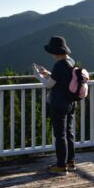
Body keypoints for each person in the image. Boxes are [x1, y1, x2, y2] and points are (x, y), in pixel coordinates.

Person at [37, 36, 77, 175]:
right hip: (71, 102)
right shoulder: (70, 62)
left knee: (60, 135)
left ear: (55, 51)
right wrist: (46, 73)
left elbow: (49, 84)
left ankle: (61, 166)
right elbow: (59, 79)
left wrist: (37, 75)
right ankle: (70, 162)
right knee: (69, 133)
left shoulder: (59, 65)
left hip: (59, 103)